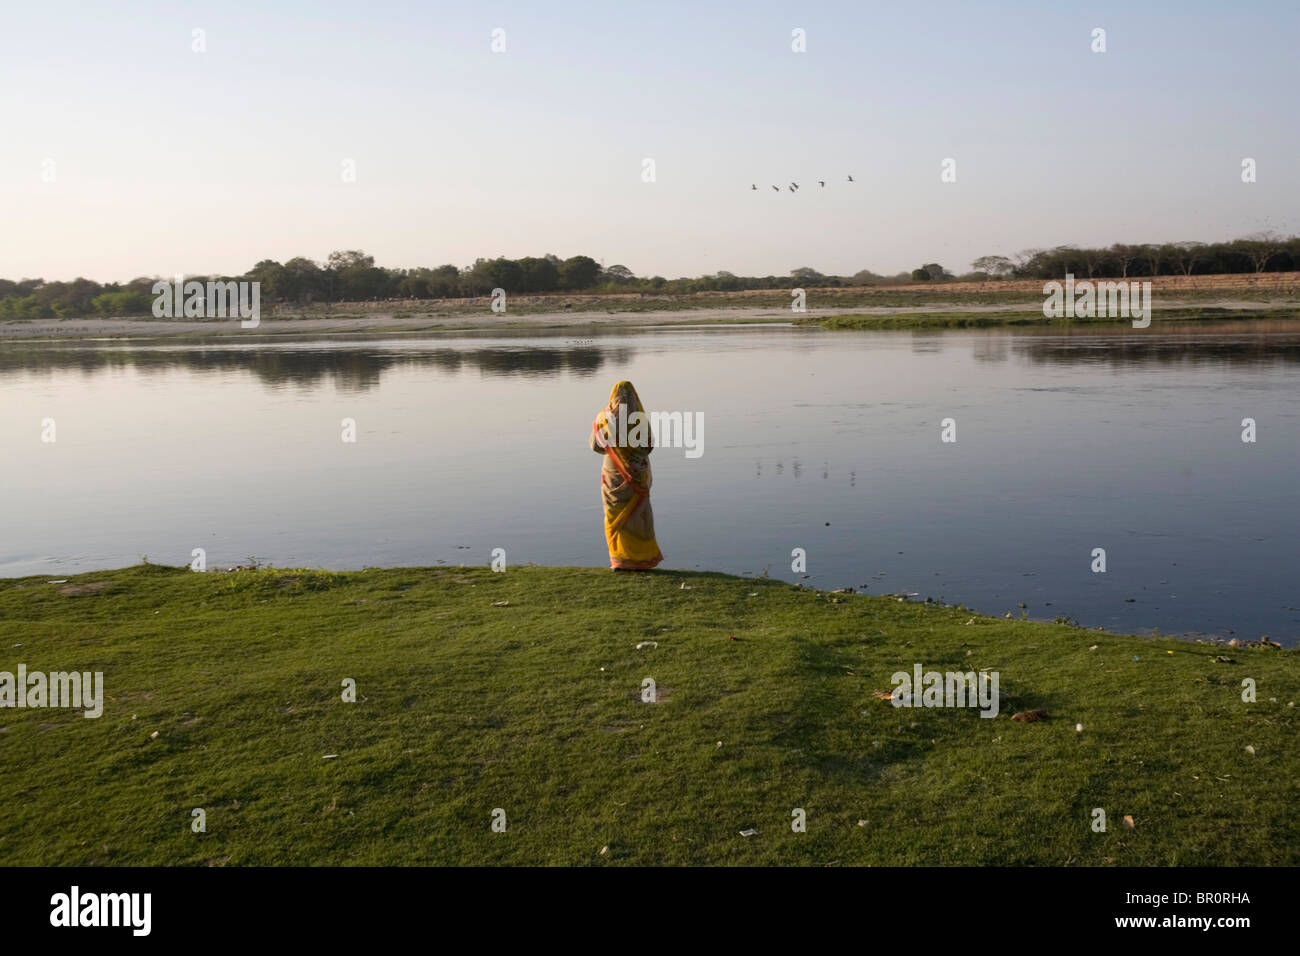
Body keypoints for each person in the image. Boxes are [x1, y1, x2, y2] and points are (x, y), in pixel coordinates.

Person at [589, 381, 663, 570]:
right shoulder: (640, 421)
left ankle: (620, 560)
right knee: (638, 516)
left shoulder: (604, 419)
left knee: (615, 515)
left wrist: (616, 450)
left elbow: (595, 446)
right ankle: (640, 560)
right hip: (638, 475)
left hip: (613, 473)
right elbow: (649, 446)